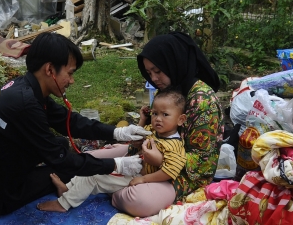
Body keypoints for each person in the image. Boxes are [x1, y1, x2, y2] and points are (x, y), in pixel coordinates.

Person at [0, 33, 151, 217]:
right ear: (50, 70)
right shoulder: (25, 105)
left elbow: (70, 121)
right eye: (69, 73)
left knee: (61, 144)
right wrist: (116, 165)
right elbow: (61, 160)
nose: (72, 81)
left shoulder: (24, 88)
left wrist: (119, 132)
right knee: (65, 168)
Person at [89, 32, 223, 217]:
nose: (154, 78)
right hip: (148, 156)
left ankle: (111, 184)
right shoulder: (167, 91)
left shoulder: (202, 101)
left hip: (179, 174)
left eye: (158, 71)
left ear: (174, 62)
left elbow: (203, 163)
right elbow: (156, 130)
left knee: (138, 200)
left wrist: (160, 160)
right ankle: (109, 181)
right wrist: (141, 139)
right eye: (149, 73)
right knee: (89, 159)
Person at [36, 90, 187, 212]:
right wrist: (142, 121)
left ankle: (64, 204)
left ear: (180, 120)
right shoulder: (154, 131)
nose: (158, 119)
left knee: (93, 176)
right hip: (132, 168)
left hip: (142, 176)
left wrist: (143, 179)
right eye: (155, 114)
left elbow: (169, 172)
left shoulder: (175, 146)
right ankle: (68, 189)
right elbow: (138, 134)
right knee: (92, 166)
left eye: (165, 114)